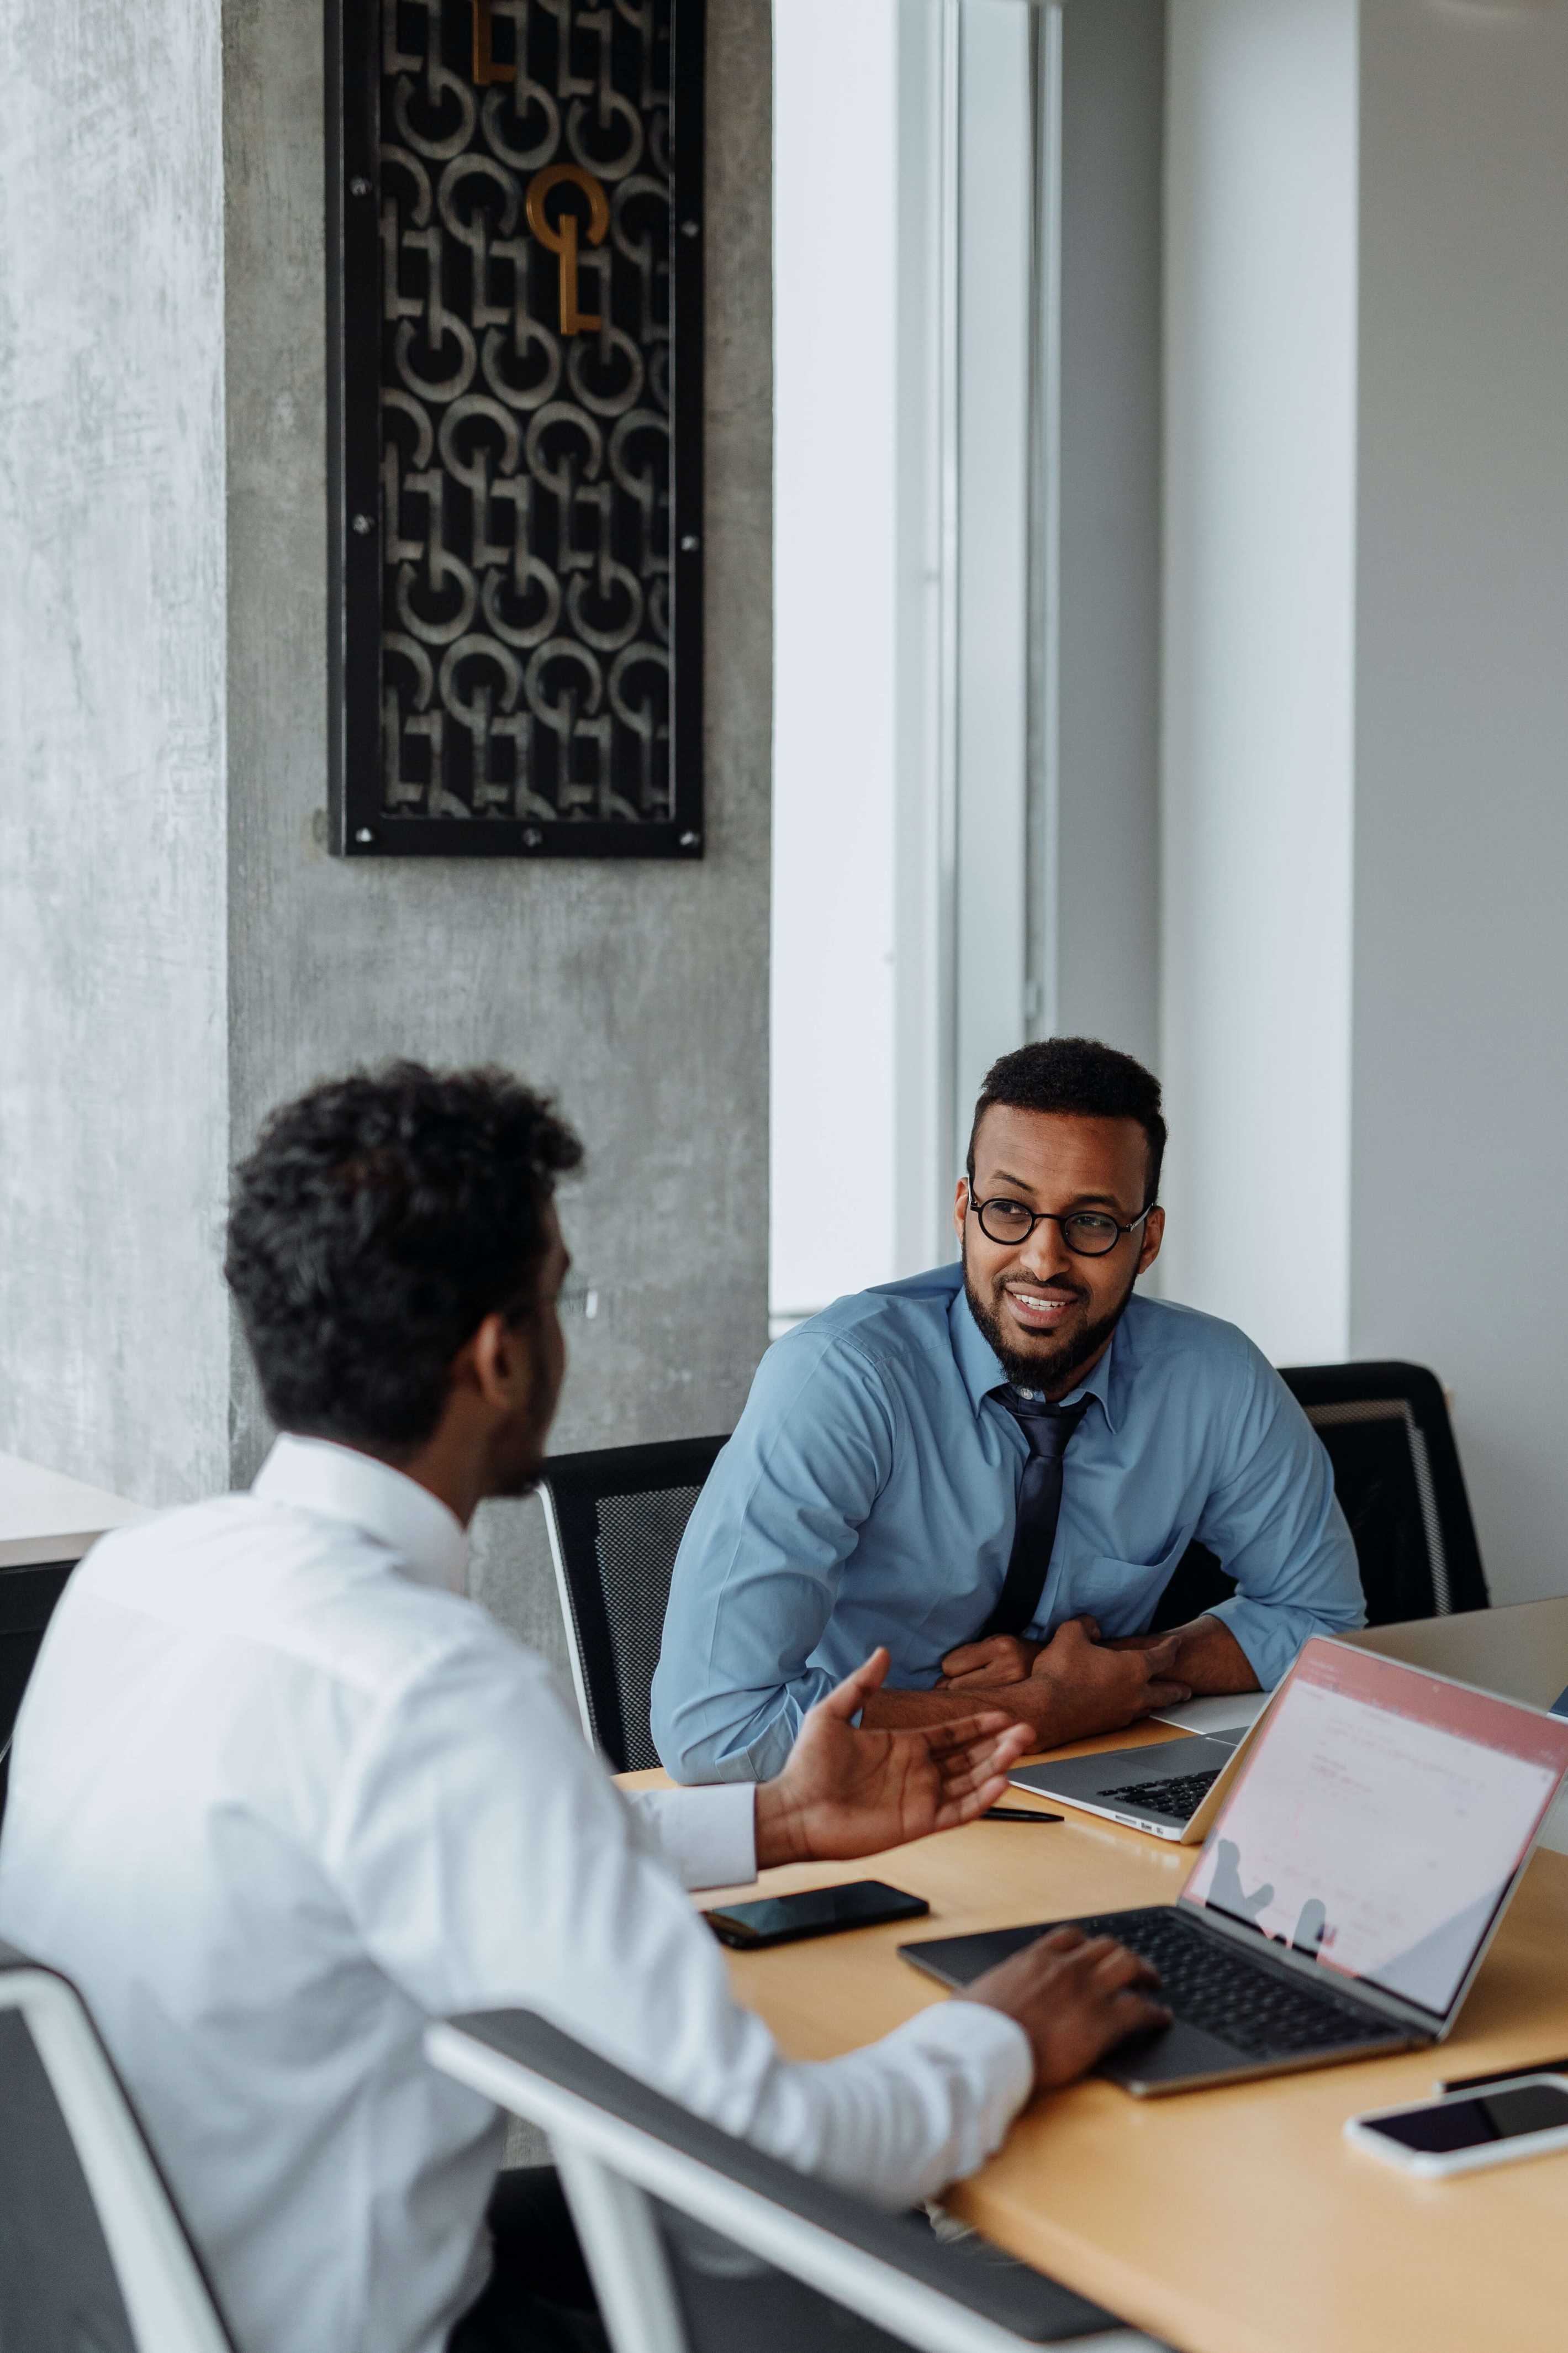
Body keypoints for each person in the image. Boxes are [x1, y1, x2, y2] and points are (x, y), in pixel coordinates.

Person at [0, 1062, 1168, 2353]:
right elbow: (774, 2169)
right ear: (503, 1357)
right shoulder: (425, 1688)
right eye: (561, 1297)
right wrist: (1000, 2037)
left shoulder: (141, 1580)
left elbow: (415, 1857)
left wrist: (769, 1824)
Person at [652, 1036, 1364, 1785]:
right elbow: (717, 1728)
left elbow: (1323, 1621)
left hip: (1088, 1787)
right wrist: (1041, 1710)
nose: (1044, 1260)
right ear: (964, 1210)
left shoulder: (1214, 1380)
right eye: (1010, 1210)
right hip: (858, 1796)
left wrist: (1105, 1674)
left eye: (1091, 1222)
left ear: (1146, 1239)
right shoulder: (842, 1380)